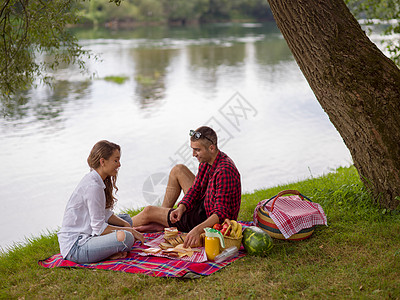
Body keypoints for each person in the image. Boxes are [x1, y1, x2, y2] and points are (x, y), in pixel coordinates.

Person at [132, 126, 241, 248]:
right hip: (204, 205)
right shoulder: (208, 161)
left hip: (208, 221)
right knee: (178, 169)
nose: (194, 154)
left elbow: (221, 214)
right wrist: (182, 207)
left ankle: (116, 227)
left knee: (149, 211)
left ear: (211, 148)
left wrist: (197, 230)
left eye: (197, 150)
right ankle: (163, 222)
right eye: (193, 149)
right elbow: (196, 189)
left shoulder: (224, 171)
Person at [58, 140, 144, 264]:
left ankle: (106, 250)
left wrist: (126, 225)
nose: (119, 164)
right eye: (116, 160)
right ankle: (107, 252)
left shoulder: (96, 179)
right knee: (126, 238)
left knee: (126, 220)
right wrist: (130, 231)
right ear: (102, 162)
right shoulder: (93, 186)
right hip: (76, 247)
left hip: (88, 232)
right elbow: (99, 228)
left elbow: (105, 214)